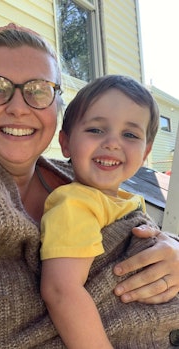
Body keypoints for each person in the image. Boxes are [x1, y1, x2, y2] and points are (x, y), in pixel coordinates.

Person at [0, 23, 179, 349]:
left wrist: (172, 250)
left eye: (38, 89)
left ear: (56, 104)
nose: (18, 106)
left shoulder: (75, 173)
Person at [40, 75, 179, 348]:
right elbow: (61, 291)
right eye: (96, 130)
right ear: (66, 143)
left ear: (145, 151)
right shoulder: (75, 203)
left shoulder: (129, 202)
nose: (113, 143)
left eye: (130, 134)